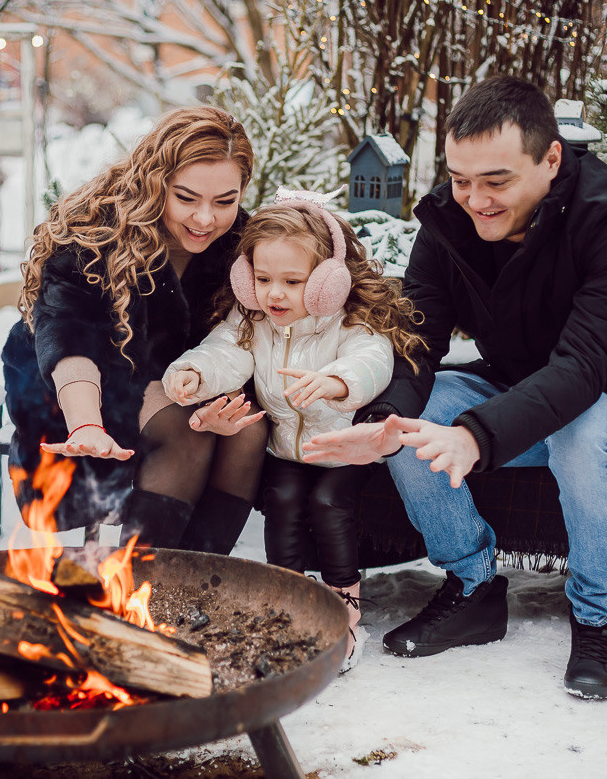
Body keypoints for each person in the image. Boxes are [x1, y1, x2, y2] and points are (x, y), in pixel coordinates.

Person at [302, 76, 607, 699]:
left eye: (497, 181)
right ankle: (473, 588)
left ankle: (600, 618)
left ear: (551, 159)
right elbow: (417, 336)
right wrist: (383, 420)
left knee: (583, 431)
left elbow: (585, 366)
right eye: (461, 180)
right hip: (521, 384)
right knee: (419, 415)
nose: (475, 200)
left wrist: (477, 436)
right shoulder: (450, 219)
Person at [163, 190, 423, 672]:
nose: (274, 293)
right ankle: (287, 605)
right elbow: (224, 351)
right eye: (262, 279)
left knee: (328, 504)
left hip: (345, 451)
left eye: (292, 281)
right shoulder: (254, 319)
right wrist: (194, 372)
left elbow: (373, 359)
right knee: (280, 501)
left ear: (326, 282)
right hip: (288, 449)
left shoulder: (347, 319)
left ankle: (344, 612)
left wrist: (338, 381)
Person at [2, 106, 269, 554]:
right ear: (155, 180)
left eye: (225, 201)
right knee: (188, 430)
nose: (205, 219)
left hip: (182, 386)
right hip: (77, 394)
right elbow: (68, 335)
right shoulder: (93, 233)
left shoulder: (241, 247)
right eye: (186, 198)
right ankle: (141, 580)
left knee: (247, 431)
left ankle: (198, 578)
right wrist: (86, 421)